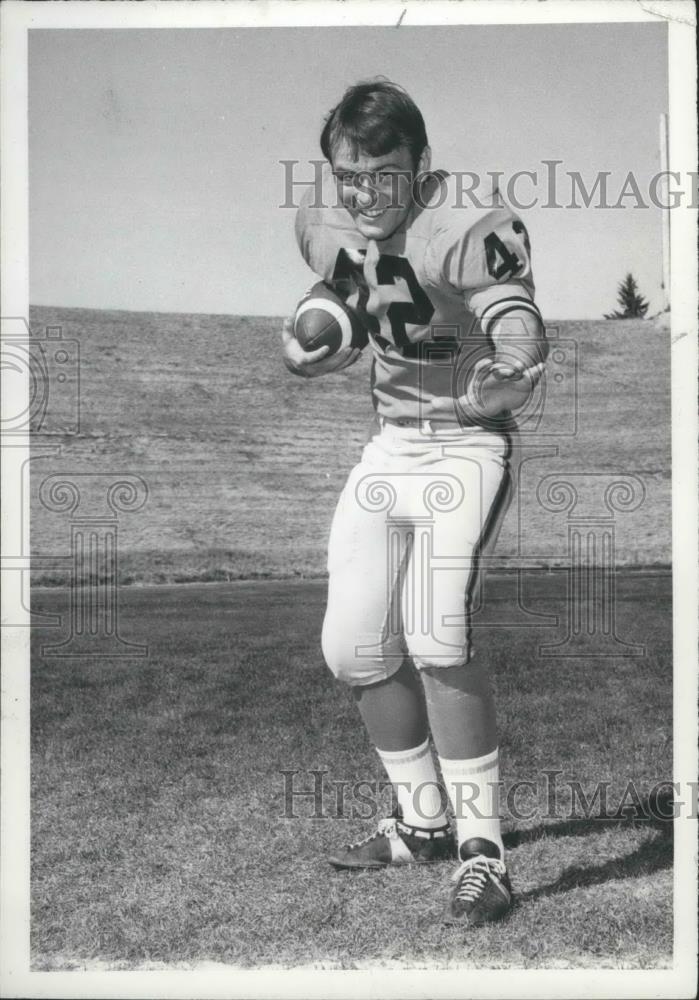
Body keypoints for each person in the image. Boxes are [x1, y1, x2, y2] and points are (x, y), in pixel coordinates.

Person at [281, 80, 548, 927]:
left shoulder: (465, 219)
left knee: (437, 632)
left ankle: (484, 853)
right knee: (352, 647)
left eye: (384, 174)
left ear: (420, 166)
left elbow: (514, 311)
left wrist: (511, 364)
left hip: (466, 441)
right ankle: (421, 822)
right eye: (348, 175)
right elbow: (349, 301)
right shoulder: (325, 221)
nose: (364, 193)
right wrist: (316, 335)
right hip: (392, 441)